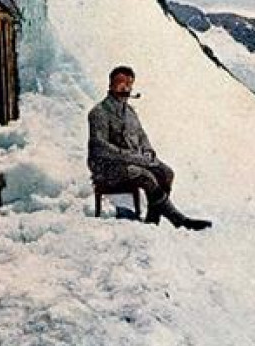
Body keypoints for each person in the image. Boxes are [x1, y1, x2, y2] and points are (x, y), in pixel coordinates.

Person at [87, 65, 212, 230]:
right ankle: (178, 219)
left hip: (130, 161)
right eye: (120, 84)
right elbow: (99, 147)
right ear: (111, 85)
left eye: (128, 85)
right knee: (145, 176)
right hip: (105, 166)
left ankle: (153, 219)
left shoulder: (130, 112)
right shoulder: (99, 112)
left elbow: (141, 135)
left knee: (166, 173)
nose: (125, 88)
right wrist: (131, 157)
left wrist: (148, 151)